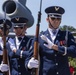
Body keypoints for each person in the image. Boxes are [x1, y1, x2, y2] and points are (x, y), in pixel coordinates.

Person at [25, 6, 76, 75]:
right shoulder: (40, 37)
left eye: (58, 18)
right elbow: (28, 57)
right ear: (47, 19)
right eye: (53, 18)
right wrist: (29, 64)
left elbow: (74, 51)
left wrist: (56, 47)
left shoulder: (66, 35)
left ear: (61, 20)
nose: (56, 21)